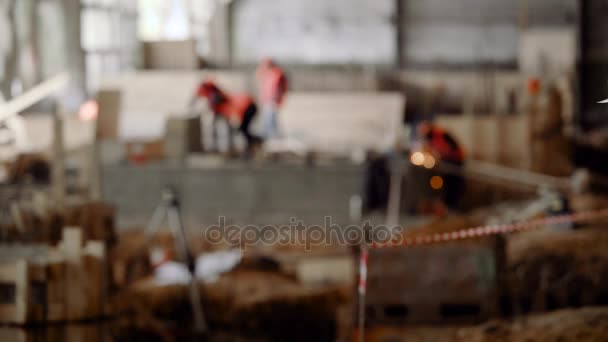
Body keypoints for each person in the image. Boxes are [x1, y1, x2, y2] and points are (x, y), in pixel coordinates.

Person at [195, 80, 261, 156]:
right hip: (248, 105)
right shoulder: (216, 96)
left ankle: (255, 143)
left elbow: (234, 111)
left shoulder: (219, 101)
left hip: (248, 106)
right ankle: (253, 144)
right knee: (242, 129)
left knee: (243, 129)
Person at [415, 122, 465, 208]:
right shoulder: (430, 137)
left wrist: (437, 156)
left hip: (455, 160)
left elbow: (446, 149)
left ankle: (451, 205)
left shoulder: (439, 133)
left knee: (454, 184)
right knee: (445, 184)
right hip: (448, 161)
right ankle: (446, 204)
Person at [256, 58, 288, 138]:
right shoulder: (269, 73)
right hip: (268, 100)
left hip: (272, 100)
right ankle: (269, 134)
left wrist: (276, 98)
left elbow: (277, 88)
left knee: (271, 118)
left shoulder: (277, 73)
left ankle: (273, 136)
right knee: (267, 118)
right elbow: (259, 75)